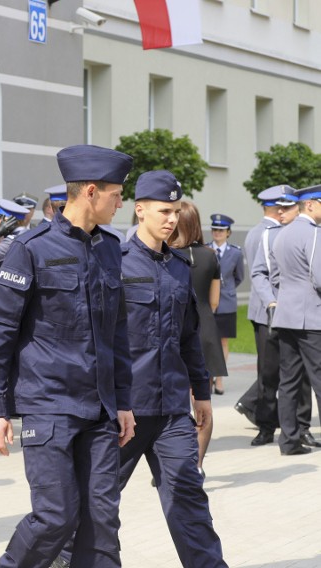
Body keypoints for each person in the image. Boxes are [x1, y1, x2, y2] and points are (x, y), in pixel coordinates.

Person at [0, 144, 135, 568]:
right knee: (55, 517)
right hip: (49, 406)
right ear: (89, 191)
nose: (122, 202)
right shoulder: (31, 248)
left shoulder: (109, 247)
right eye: (116, 193)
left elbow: (116, 330)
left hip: (100, 409)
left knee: (102, 520)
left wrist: (122, 400)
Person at [98, 170, 225, 567]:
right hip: (126, 409)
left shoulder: (179, 267)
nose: (171, 219)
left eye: (175, 211)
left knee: (188, 494)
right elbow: (100, 340)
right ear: (139, 211)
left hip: (171, 409)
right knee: (99, 497)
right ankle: (67, 557)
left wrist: (201, 393)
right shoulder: (112, 264)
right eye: (162, 211)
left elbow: (189, 338)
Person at [245, 187, 316, 446]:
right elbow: (259, 274)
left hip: (288, 313)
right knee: (270, 372)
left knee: (295, 375)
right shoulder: (265, 235)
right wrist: (273, 302)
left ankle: (297, 429)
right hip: (271, 313)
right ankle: (267, 425)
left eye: (288, 206)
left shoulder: (290, 233)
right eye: (281, 207)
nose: (284, 211)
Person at [168, 201, 225, 473]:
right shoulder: (211, 256)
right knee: (203, 402)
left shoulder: (167, 254)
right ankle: (198, 464)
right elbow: (214, 301)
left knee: (176, 402)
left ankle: (174, 464)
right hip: (206, 330)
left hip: (175, 330)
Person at [269, 184, 321, 456]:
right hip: (311, 317)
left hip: (286, 315)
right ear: (310, 205)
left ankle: (288, 441)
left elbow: (275, 277)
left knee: (288, 382)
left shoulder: (282, 234)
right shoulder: (314, 234)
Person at [207, 214, 244, 395]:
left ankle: (219, 378)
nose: (217, 233)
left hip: (227, 303)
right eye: (215, 229)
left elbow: (239, 277)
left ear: (228, 233)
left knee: (222, 341)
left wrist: (226, 290)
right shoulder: (206, 250)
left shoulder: (236, 252)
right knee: (207, 340)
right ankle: (207, 378)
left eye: (221, 230)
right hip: (207, 302)